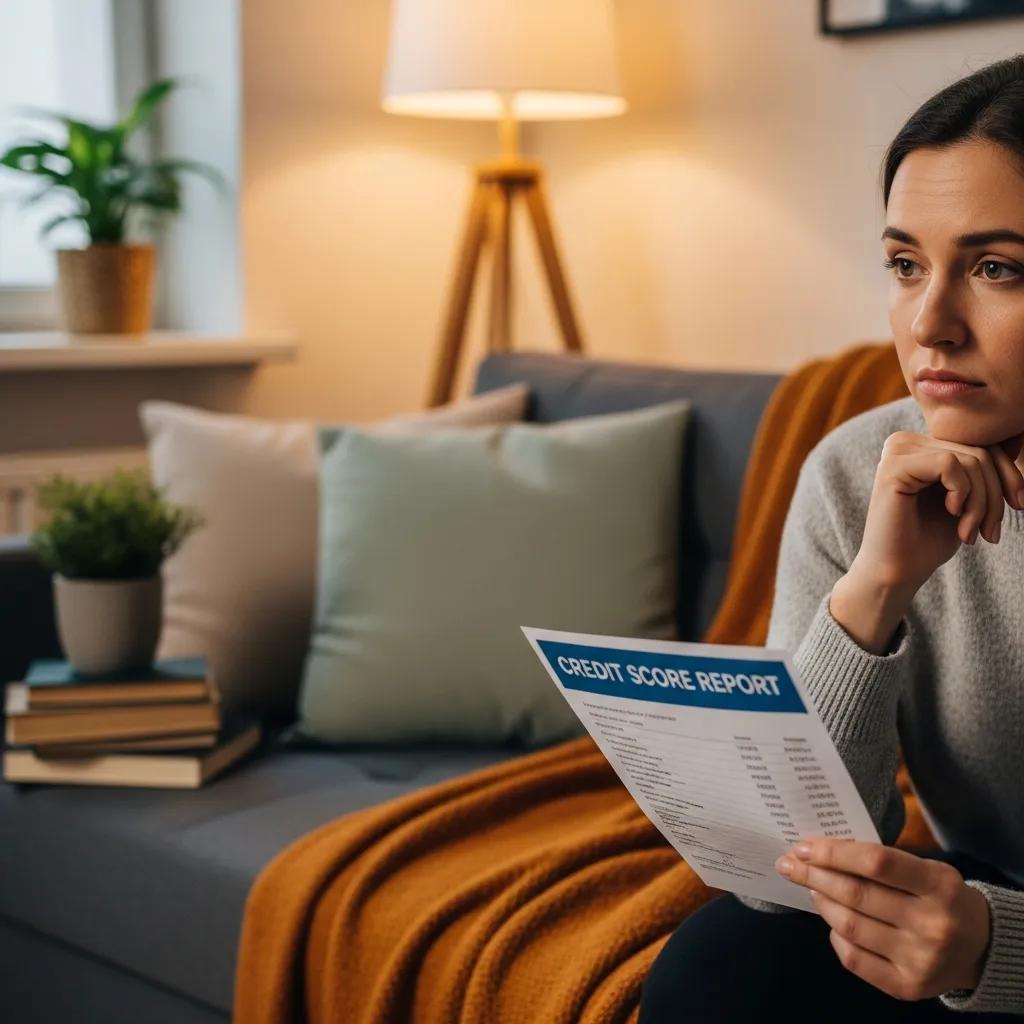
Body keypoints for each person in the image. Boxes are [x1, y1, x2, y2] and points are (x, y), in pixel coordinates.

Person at [638, 53, 1024, 1022]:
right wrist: (873, 589)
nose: (928, 324)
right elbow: (782, 873)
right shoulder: (861, 471)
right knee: (724, 962)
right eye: (904, 265)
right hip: (981, 905)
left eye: (995, 269)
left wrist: (996, 946)